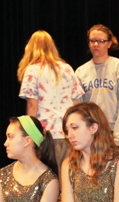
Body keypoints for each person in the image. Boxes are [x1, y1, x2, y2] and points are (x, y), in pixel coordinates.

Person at [17, 30, 84, 171]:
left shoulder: (32, 70)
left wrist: (31, 135)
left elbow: (32, 105)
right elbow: (76, 105)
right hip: (68, 135)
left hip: (46, 136)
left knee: (48, 178)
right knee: (68, 177)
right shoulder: (67, 68)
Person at [75, 24, 119, 152]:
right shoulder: (81, 72)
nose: (96, 44)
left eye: (101, 41)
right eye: (92, 41)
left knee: (117, 165)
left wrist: (118, 137)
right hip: (92, 133)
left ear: (109, 43)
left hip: (115, 131)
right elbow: (79, 107)